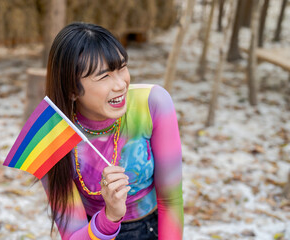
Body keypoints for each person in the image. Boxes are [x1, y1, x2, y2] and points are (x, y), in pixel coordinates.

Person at [40, 22, 183, 240]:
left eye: (121, 68)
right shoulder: (49, 136)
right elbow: (72, 236)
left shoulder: (152, 104)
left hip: (150, 229)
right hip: (92, 232)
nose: (120, 85)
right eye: (104, 76)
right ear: (71, 90)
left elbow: (171, 201)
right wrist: (109, 217)